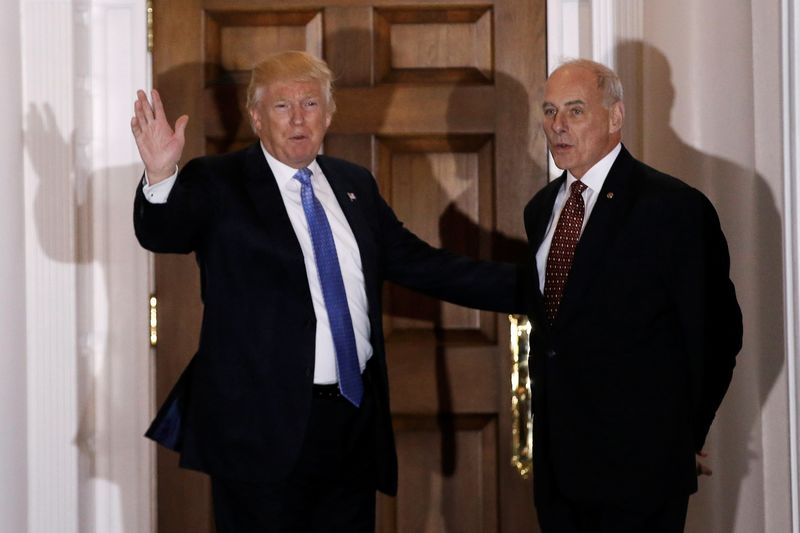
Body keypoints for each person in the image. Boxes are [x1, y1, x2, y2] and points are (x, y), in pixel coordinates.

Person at [130, 50, 522, 532]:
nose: (298, 118)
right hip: (260, 432)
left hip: (351, 421)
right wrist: (161, 176)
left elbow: (423, 264)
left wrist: (539, 287)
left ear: (329, 114)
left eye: (311, 104)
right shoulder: (218, 181)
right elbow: (163, 233)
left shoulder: (353, 184)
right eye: (281, 106)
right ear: (255, 117)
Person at [522, 59, 742, 532]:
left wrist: (682, 436)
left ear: (615, 117)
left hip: (642, 476)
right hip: (559, 476)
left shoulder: (673, 208)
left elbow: (718, 335)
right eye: (550, 111)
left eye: (575, 111)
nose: (557, 126)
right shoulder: (540, 210)